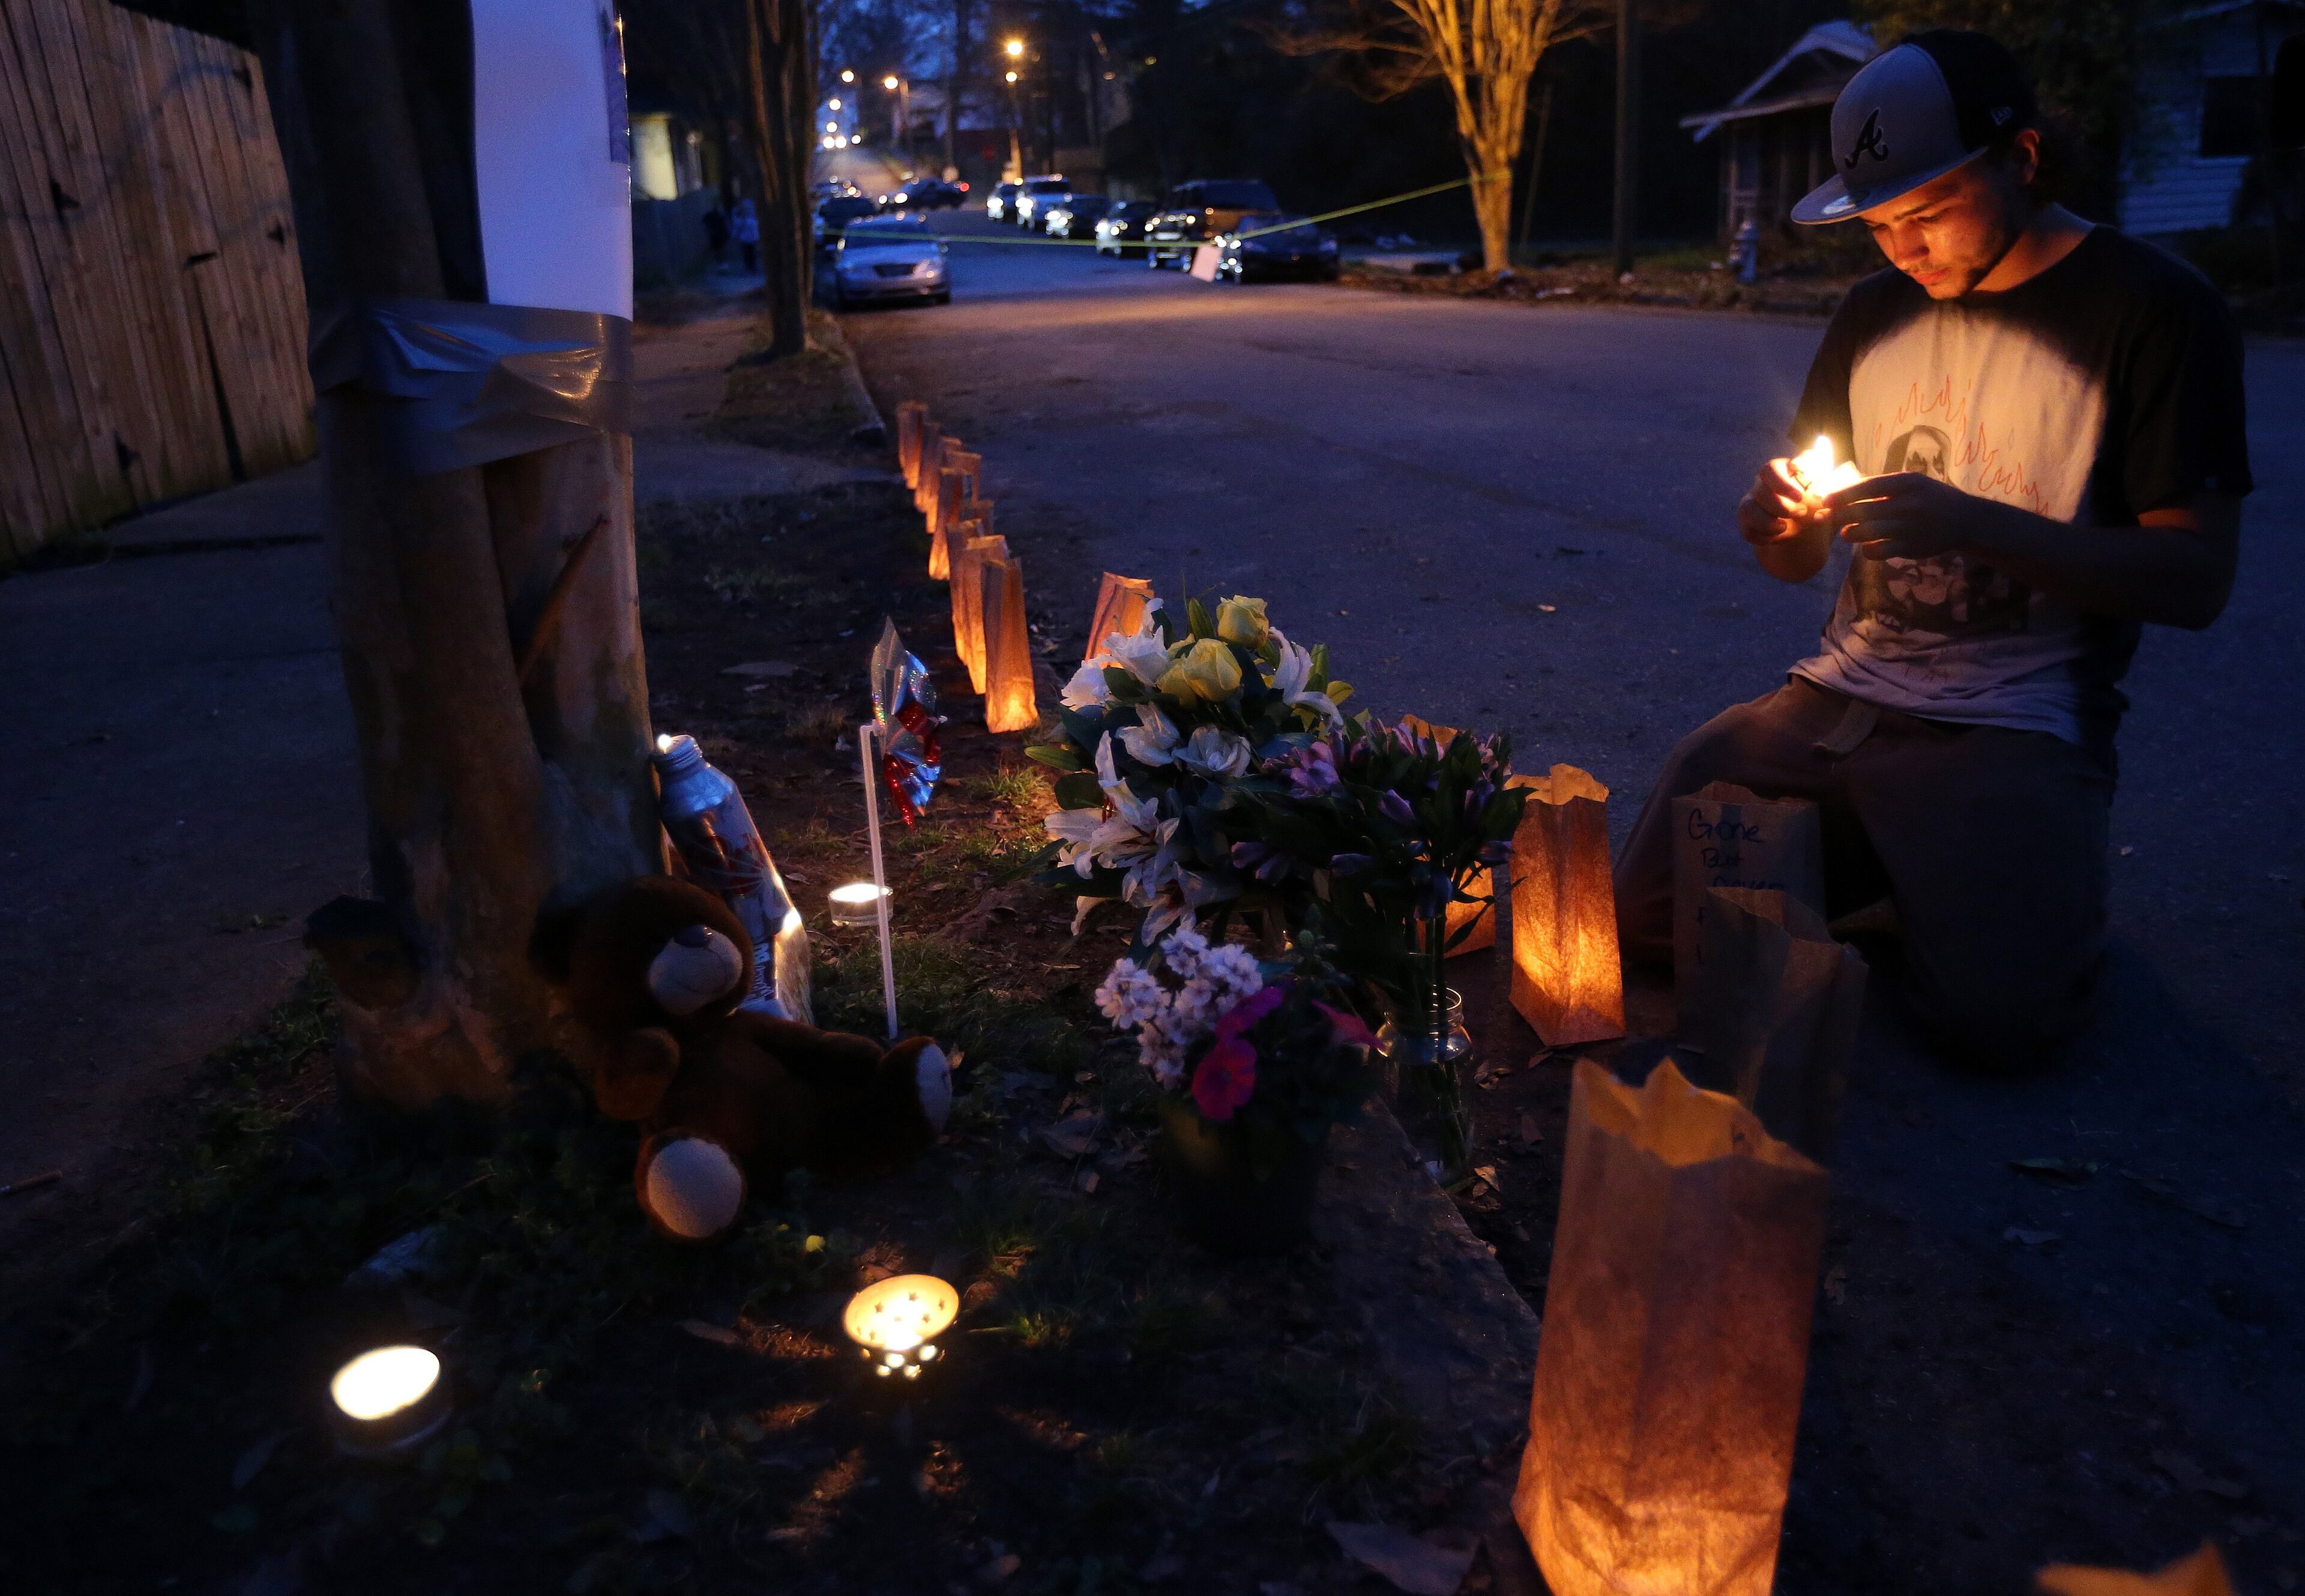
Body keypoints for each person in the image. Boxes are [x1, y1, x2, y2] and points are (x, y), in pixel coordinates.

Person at [1614, 29, 2250, 1071]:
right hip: (1836, 700)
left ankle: (1951, 872)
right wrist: (1779, 528)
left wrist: (1973, 522)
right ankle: (1894, 858)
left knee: (2001, 1026)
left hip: (2016, 719)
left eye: (1929, 212)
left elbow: (2196, 580)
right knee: (1645, 928)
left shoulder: (2156, 311)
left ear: (2024, 160)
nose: (1903, 251)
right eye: (1876, 225)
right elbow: (1796, 562)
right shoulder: (1872, 313)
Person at [731, 197, 759, 273]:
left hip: (752, 238)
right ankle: (749, 267)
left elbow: (754, 225)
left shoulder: (750, 216)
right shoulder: (737, 213)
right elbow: (737, 225)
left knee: (752, 253)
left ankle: (753, 267)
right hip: (744, 239)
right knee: (747, 254)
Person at [701, 201, 729, 268]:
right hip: (719, 235)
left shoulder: (710, 215)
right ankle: (722, 262)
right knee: (720, 249)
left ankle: (719, 262)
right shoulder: (720, 215)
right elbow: (724, 225)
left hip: (714, 234)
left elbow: (704, 220)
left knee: (717, 250)